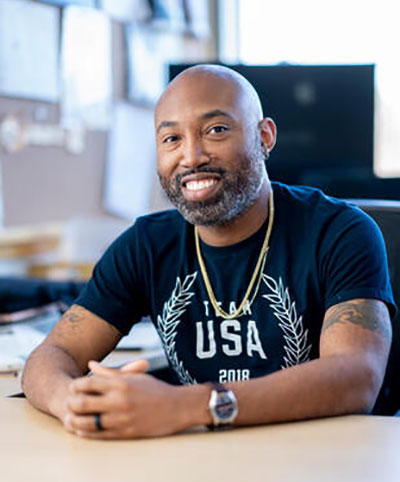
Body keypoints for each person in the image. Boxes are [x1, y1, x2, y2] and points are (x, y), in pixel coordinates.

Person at [22, 64, 396, 440]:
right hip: (203, 463)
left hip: (331, 461)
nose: (191, 156)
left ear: (264, 136)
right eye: (171, 139)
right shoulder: (146, 245)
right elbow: (51, 356)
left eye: (216, 130)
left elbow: (357, 376)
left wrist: (185, 406)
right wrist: (69, 399)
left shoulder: (341, 231)